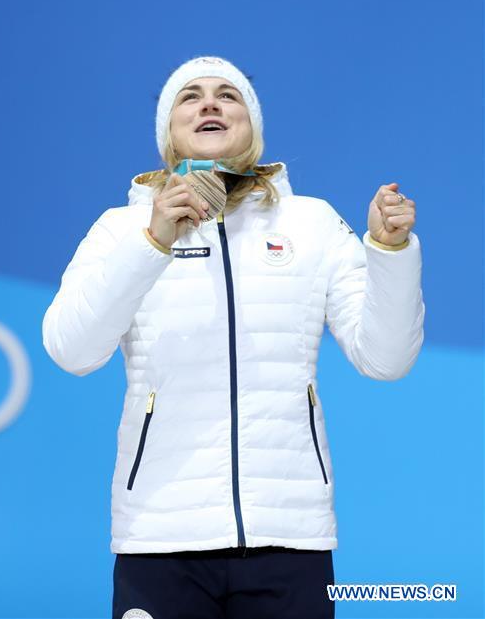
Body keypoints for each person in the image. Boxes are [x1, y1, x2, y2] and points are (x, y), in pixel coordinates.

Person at [41, 56, 424, 619]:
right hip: (160, 537)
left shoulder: (312, 224)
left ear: (253, 127)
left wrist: (390, 253)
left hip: (290, 536)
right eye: (189, 96)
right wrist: (153, 240)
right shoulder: (120, 229)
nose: (210, 103)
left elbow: (385, 359)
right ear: (168, 133)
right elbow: (70, 351)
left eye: (229, 95)